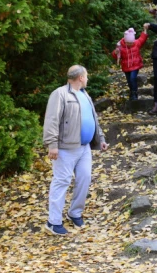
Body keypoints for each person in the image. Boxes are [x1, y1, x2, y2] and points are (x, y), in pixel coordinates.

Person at [43, 65, 108, 235]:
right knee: (61, 182)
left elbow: (93, 119)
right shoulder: (60, 94)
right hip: (65, 148)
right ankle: (53, 222)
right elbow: (51, 119)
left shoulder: (85, 94)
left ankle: (75, 213)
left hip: (84, 147)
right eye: (86, 76)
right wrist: (52, 145)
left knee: (84, 179)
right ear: (80, 77)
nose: (87, 79)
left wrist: (100, 138)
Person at [111, 25, 150, 101]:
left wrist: (145, 30)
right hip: (126, 67)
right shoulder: (121, 47)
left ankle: (135, 93)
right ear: (125, 41)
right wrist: (115, 53)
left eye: (131, 43)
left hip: (135, 65)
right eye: (128, 43)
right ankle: (131, 92)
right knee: (129, 81)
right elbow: (116, 56)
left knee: (133, 78)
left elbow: (142, 38)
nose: (130, 44)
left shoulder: (136, 43)